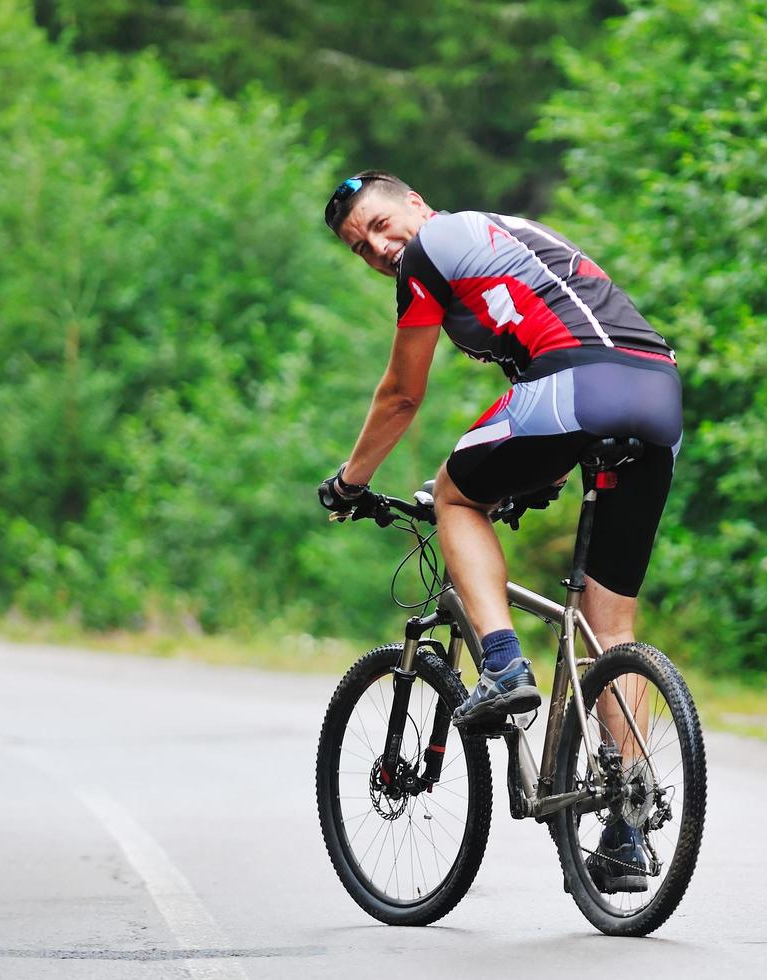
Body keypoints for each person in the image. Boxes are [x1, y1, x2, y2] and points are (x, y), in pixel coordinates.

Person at [314, 172, 681, 889]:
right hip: (657, 392)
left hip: (579, 385)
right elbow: (565, 327)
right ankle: (628, 823)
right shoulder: (513, 234)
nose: (383, 248)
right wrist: (536, 480)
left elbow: (402, 395)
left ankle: (505, 667)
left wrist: (351, 480)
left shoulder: (432, 249)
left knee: (455, 496)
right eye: (363, 248)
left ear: (418, 202)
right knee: (610, 623)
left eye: (383, 225)